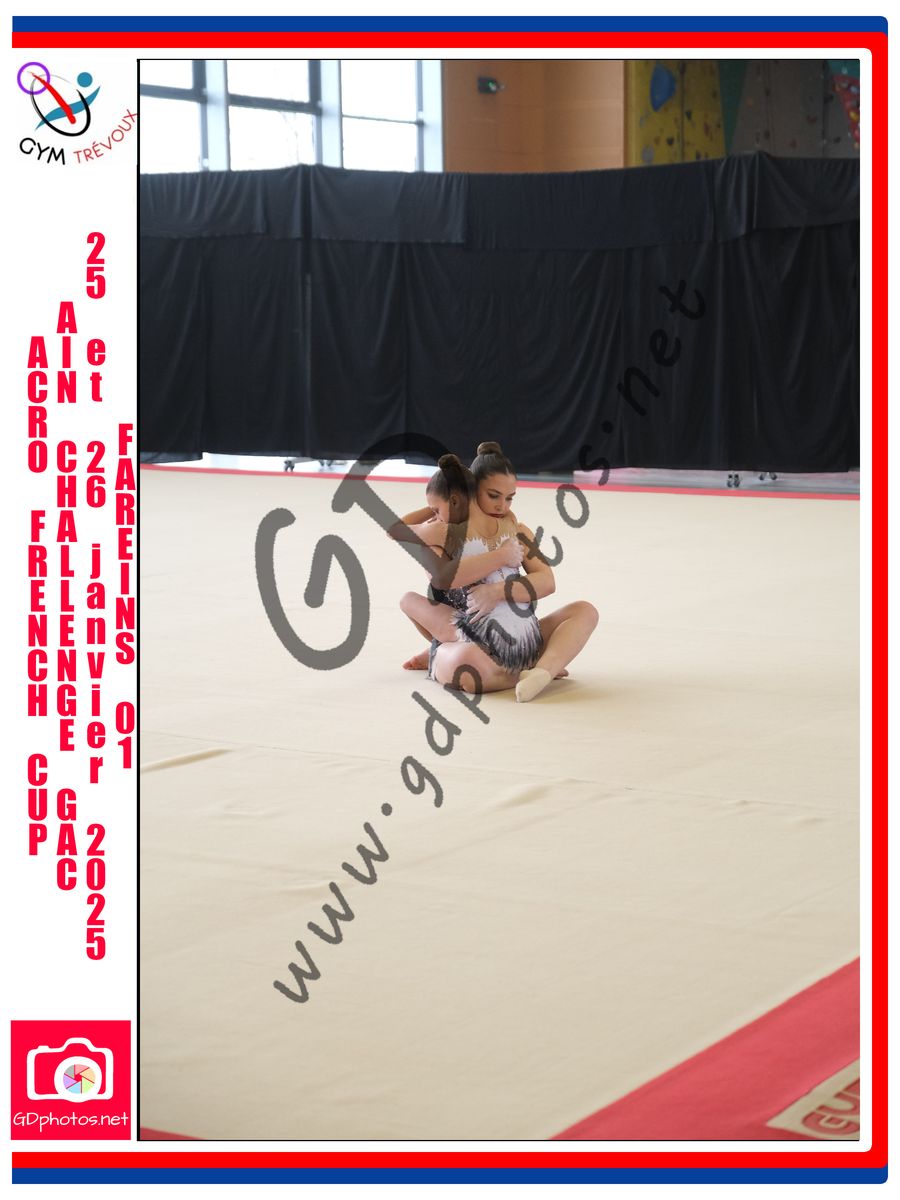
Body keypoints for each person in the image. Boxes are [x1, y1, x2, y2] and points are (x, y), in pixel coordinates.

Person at [390, 444, 598, 701]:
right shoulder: (445, 530)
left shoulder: (517, 530)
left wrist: (498, 591)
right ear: (471, 490)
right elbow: (439, 575)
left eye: (510, 498)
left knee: (585, 611)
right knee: (468, 663)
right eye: (493, 495)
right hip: (475, 641)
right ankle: (528, 667)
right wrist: (435, 506)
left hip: (523, 637)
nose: (502, 506)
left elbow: (547, 582)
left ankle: (542, 670)